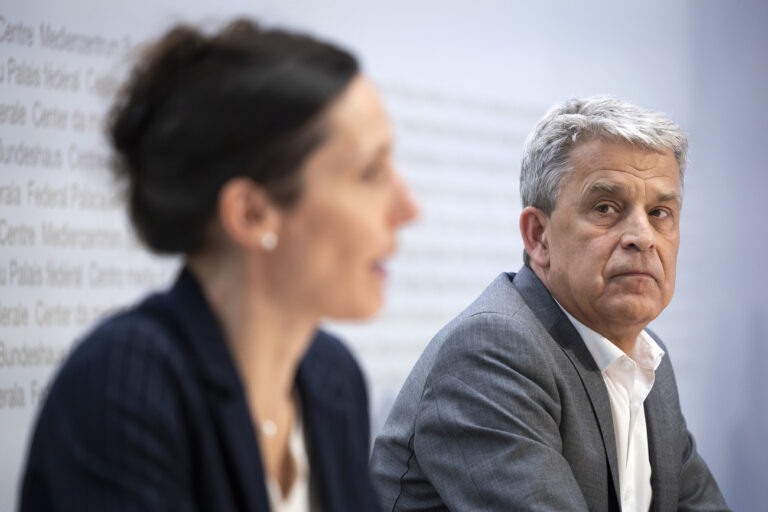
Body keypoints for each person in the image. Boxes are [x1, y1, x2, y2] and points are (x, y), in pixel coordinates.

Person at [21, 19, 417, 512]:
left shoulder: (332, 378)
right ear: (251, 214)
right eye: (370, 173)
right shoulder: (122, 384)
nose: (408, 208)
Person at [370, 97, 730, 511]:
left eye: (659, 212)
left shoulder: (649, 364)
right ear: (539, 236)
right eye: (606, 208)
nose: (642, 237)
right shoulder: (493, 352)